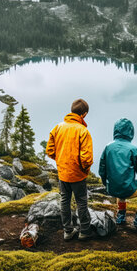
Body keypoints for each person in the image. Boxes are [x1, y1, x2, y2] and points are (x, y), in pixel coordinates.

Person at [46, 98, 94, 240]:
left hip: (63, 174)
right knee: (81, 202)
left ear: (72, 111)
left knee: (64, 201)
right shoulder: (83, 131)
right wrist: (84, 170)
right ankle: (84, 231)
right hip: (78, 175)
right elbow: (86, 158)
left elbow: (49, 150)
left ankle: (68, 231)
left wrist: (61, 161)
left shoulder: (58, 127)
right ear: (84, 114)